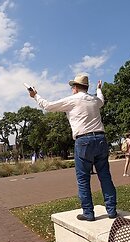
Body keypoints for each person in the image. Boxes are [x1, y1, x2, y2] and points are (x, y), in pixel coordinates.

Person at [28, 74, 117, 221]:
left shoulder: (72, 100)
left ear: (75, 88)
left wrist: (35, 95)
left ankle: (88, 212)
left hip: (84, 141)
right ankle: (112, 210)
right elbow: (102, 100)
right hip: (101, 139)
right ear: (86, 87)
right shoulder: (94, 100)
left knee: (83, 178)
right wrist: (99, 89)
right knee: (105, 176)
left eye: (72, 87)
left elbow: (48, 106)